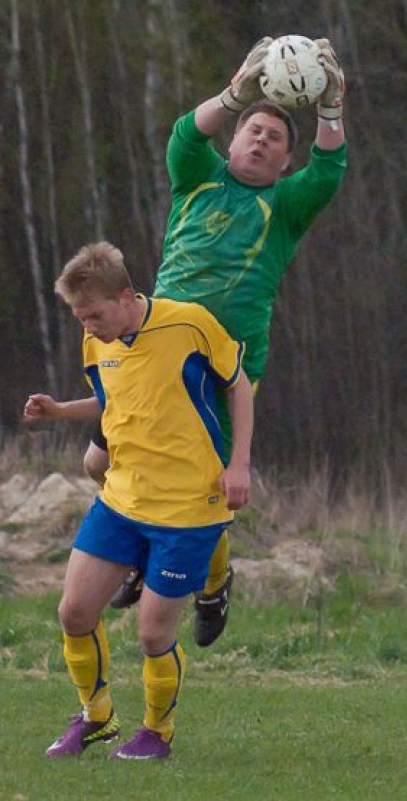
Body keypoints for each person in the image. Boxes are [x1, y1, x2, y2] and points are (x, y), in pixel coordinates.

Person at [26, 35, 347, 648]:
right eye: (252, 130)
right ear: (233, 141)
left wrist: (331, 107)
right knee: (98, 461)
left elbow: (330, 166)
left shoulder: (285, 203)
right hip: (154, 348)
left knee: (205, 488)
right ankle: (147, 554)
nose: (260, 140)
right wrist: (237, 91)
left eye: (276, 139)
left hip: (223, 365)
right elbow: (184, 134)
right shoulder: (197, 177)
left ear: (285, 164)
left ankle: (213, 580)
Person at [32, 241, 254, 759]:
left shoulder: (188, 324)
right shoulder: (96, 342)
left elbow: (238, 384)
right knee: (74, 613)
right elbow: (114, 400)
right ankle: (96, 717)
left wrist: (238, 463)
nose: (87, 326)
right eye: (79, 317)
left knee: (153, 634)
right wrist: (60, 412)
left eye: (94, 314)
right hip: (122, 501)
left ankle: (156, 732)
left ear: (127, 296)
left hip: (187, 508)